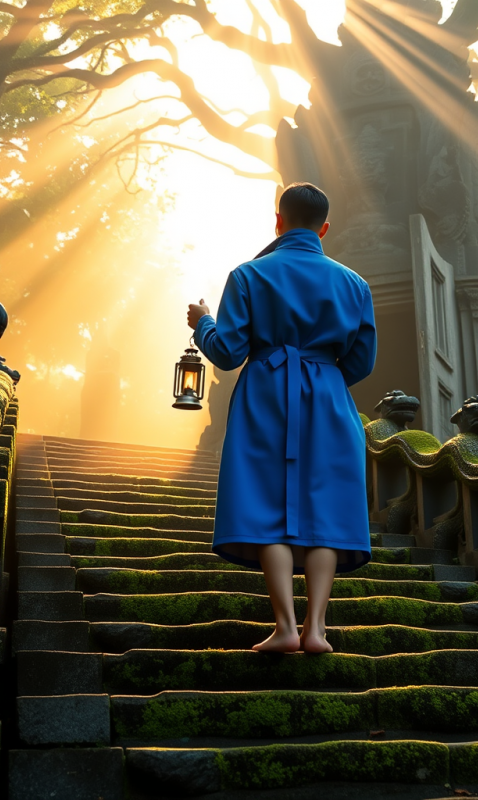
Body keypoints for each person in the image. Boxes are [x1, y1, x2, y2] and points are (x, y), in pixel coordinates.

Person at [186, 182, 377, 653]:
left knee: (265, 507)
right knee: (325, 510)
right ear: (324, 228)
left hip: (265, 394)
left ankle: (285, 628)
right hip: (329, 398)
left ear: (278, 221)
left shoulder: (249, 274)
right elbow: (362, 361)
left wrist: (203, 322)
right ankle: (317, 629)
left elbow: (228, 353)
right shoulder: (355, 284)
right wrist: (323, 375)